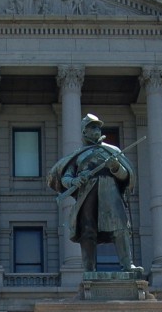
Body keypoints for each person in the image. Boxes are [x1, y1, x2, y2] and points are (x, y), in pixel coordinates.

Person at [46, 113, 139, 272]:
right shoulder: (79, 155)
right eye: (92, 127)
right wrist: (75, 181)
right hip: (87, 194)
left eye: (97, 127)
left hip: (109, 190)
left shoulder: (112, 151)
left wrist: (115, 167)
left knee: (120, 227)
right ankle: (89, 270)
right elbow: (66, 177)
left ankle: (127, 265)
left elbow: (125, 175)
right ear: (84, 132)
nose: (96, 130)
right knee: (87, 231)